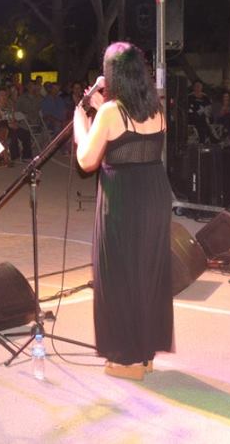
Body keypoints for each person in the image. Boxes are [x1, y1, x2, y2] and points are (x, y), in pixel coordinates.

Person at [73, 42, 172, 381]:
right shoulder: (156, 107)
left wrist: (81, 119)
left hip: (123, 197)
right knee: (146, 273)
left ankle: (127, 360)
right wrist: (101, 110)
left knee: (119, 275)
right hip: (154, 193)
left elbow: (86, 160)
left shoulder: (111, 112)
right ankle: (145, 354)